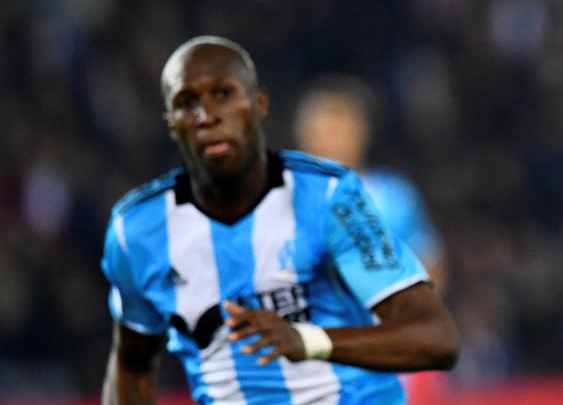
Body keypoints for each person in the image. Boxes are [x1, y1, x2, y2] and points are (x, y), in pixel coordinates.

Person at [101, 36, 458, 404]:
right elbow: (132, 363)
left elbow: (433, 330)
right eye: (187, 103)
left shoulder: (337, 198)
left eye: (223, 94)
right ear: (171, 123)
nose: (207, 116)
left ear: (259, 105)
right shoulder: (138, 232)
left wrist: (308, 338)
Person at [294, 75, 444, 287]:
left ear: (362, 131)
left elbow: (430, 267)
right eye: (324, 131)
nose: (331, 142)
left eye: (340, 131)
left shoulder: (393, 197)